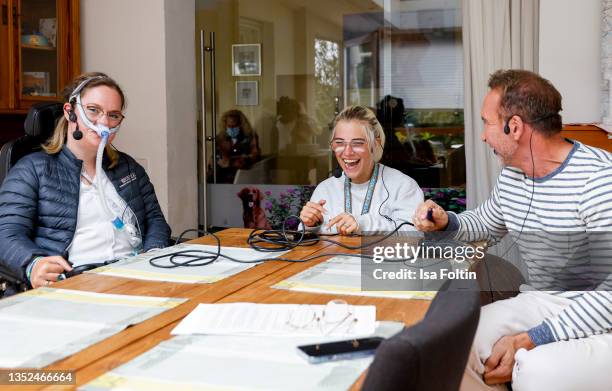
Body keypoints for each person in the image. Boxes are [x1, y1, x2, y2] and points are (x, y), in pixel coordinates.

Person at [413, 69, 612, 390]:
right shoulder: (512, 178)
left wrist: (533, 339)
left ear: (514, 127)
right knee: (450, 341)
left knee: (534, 371)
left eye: (486, 123)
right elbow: (485, 226)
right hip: (546, 301)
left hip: (605, 315)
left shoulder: (599, 180)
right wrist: (445, 221)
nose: (482, 136)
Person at [0, 72, 171, 296]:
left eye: (113, 115)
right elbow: (6, 233)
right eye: (93, 110)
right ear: (70, 112)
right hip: (74, 283)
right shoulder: (32, 169)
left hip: (135, 279)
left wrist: (153, 254)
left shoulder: (128, 168)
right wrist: (33, 264)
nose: (104, 122)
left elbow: (155, 220)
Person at [300, 105, 423, 235]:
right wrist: (309, 226)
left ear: (375, 144)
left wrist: (362, 224)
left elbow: (414, 235)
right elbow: (302, 241)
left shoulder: (403, 186)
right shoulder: (325, 189)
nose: (347, 152)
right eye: (340, 143)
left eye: (357, 143)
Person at [214, 109, 261, 183]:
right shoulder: (220, 138)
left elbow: (255, 155)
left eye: (234, 126)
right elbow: (216, 156)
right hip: (222, 176)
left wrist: (236, 161)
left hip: (243, 176)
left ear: (240, 125)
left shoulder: (250, 137)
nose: (232, 128)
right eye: (229, 126)